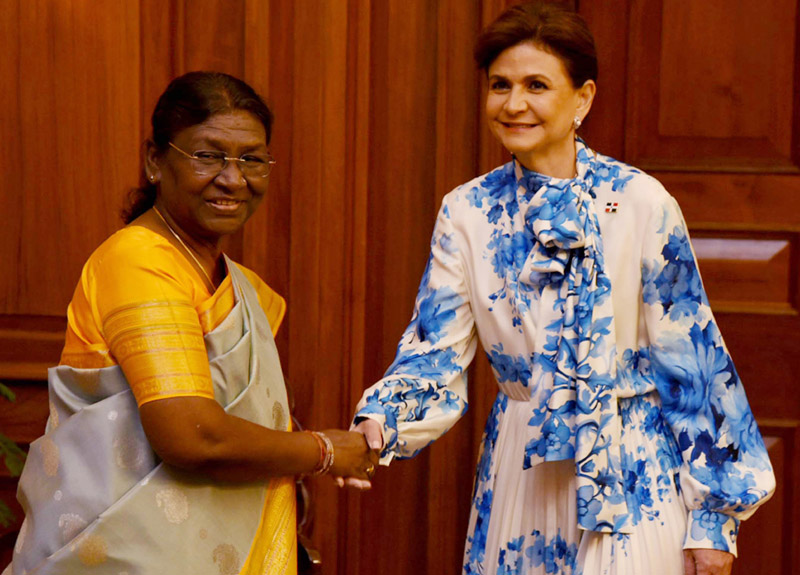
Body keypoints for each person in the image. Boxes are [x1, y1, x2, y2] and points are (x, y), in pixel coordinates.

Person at [350, 3, 775, 574]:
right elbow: (434, 352)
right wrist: (379, 427)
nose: (513, 103)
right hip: (521, 472)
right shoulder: (467, 211)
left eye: (535, 85)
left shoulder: (641, 202)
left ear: (583, 98)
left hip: (633, 473)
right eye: (499, 85)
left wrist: (714, 518)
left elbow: (692, 367)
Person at [4, 71, 377, 575]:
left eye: (252, 159)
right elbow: (190, 436)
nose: (233, 178)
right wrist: (326, 451)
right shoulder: (138, 262)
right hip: (126, 554)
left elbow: (240, 421)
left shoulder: (235, 283)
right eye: (208, 156)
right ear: (156, 161)